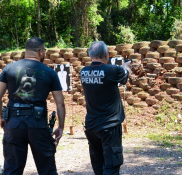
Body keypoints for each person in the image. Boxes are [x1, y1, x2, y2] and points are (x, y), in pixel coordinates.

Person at [0, 37, 65, 175]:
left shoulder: (9, 68)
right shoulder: (50, 72)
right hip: (38, 124)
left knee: (12, 170)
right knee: (47, 170)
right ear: (41, 52)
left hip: (13, 124)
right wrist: (60, 127)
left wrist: (1, 117)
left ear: (26, 51)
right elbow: (60, 103)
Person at [80, 41, 131, 175]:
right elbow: (125, 75)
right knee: (111, 166)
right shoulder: (112, 70)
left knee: (98, 166)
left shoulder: (84, 72)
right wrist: (126, 66)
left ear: (90, 55)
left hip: (91, 126)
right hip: (109, 127)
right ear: (107, 55)